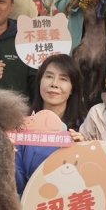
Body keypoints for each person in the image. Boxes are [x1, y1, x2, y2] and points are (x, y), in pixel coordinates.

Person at [17, 54, 85, 193]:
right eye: (48, 76)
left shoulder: (85, 126)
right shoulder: (20, 124)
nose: (54, 83)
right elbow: (15, 183)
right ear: (39, 81)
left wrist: (83, 150)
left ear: (73, 88)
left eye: (63, 79)